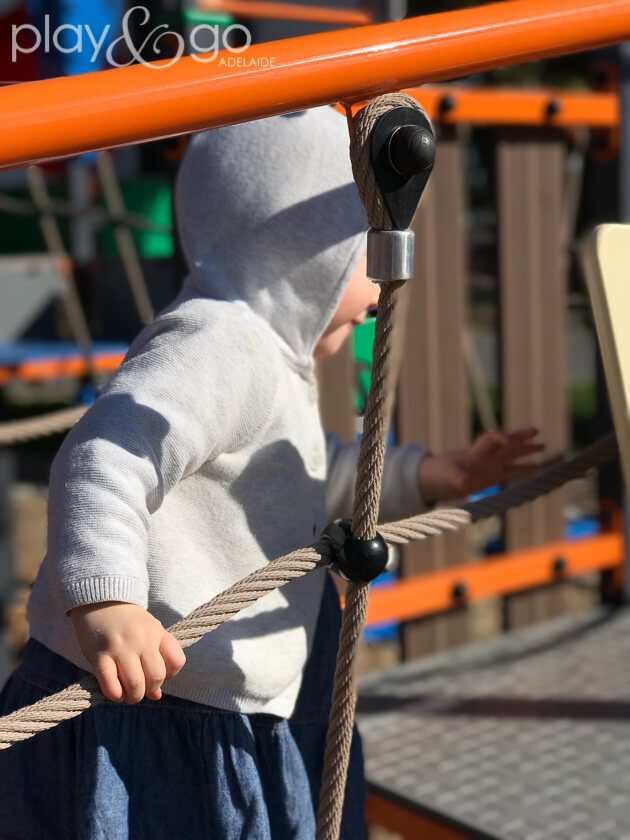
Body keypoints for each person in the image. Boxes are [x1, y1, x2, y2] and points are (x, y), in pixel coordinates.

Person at [0, 105, 543, 839]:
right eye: (365, 248)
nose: (381, 293)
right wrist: (109, 606)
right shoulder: (219, 345)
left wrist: (436, 474)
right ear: (305, 247)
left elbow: (302, 478)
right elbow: (105, 456)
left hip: (225, 694)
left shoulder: (271, 361)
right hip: (150, 700)